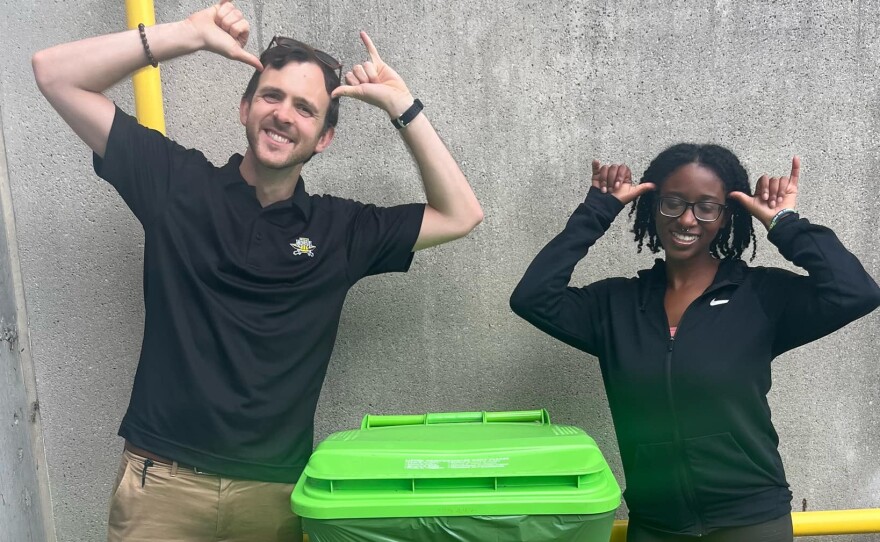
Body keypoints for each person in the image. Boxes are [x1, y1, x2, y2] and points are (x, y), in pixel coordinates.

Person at [32, 1, 482, 540]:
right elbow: (54, 74)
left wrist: (403, 107)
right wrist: (186, 35)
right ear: (244, 108)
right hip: (163, 486)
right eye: (271, 96)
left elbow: (461, 213)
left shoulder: (342, 231)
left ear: (324, 137)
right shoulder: (176, 185)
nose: (284, 114)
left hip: (275, 497)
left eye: (305, 108)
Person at [509, 143, 880, 542]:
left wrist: (784, 222)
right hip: (656, 524)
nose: (688, 219)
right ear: (653, 206)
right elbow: (533, 298)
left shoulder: (761, 297)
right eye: (674, 202)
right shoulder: (614, 306)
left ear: (725, 218)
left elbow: (855, 292)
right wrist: (597, 212)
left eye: (707, 206)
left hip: (750, 521)